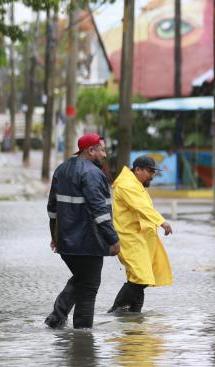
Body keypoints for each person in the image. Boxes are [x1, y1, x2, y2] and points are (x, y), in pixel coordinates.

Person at [44, 133, 120, 329]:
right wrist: (112, 238)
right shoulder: (93, 174)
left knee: (81, 280)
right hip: (88, 243)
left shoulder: (62, 169)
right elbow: (100, 211)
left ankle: (57, 319)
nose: (104, 154)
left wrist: (55, 235)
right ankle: (83, 335)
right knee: (89, 287)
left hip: (67, 243)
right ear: (91, 150)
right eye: (102, 149)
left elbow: (52, 208)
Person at [108, 155, 173, 314]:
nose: (153, 175)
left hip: (140, 239)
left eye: (154, 172)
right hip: (129, 239)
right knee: (141, 277)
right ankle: (117, 310)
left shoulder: (135, 184)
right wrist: (162, 222)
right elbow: (142, 208)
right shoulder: (127, 185)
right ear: (138, 170)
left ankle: (134, 315)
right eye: (150, 171)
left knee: (139, 278)